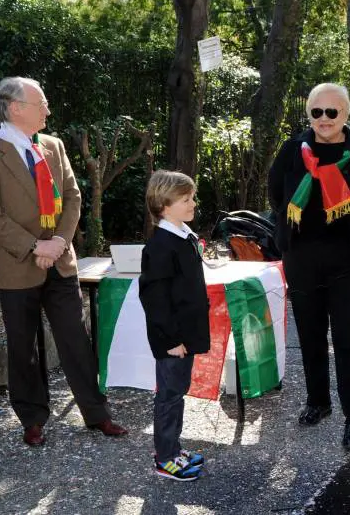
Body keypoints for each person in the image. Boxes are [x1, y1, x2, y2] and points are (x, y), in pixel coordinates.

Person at [0, 76, 127, 446]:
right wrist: (34, 246)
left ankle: (97, 413)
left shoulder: (52, 145)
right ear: (15, 108)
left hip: (60, 259)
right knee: (22, 347)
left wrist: (57, 242)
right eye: (41, 104)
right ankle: (32, 419)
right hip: (16, 263)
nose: (47, 111)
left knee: (76, 339)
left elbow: (72, 197)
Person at [268, 83, 350, 449]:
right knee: (310, 334)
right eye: (317, 112)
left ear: (346, 114)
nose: (324, 119)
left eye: (332, 112)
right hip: (302, 258)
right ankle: (318, 401)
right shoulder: (292, 151)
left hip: (349, 260)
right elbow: (276, 195)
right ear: (309, 114)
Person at [138, 170, 210, 481]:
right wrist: (170, 339)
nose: (193, 204)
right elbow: (155, 300)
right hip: (172, 339)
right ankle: (165, 458)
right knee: (168, 396)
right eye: (186, 200)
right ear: (164, 206)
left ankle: (174, 449)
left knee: (177, 393)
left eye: (192, 198)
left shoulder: (182, 237)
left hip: (183, 334)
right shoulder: (160, 246)